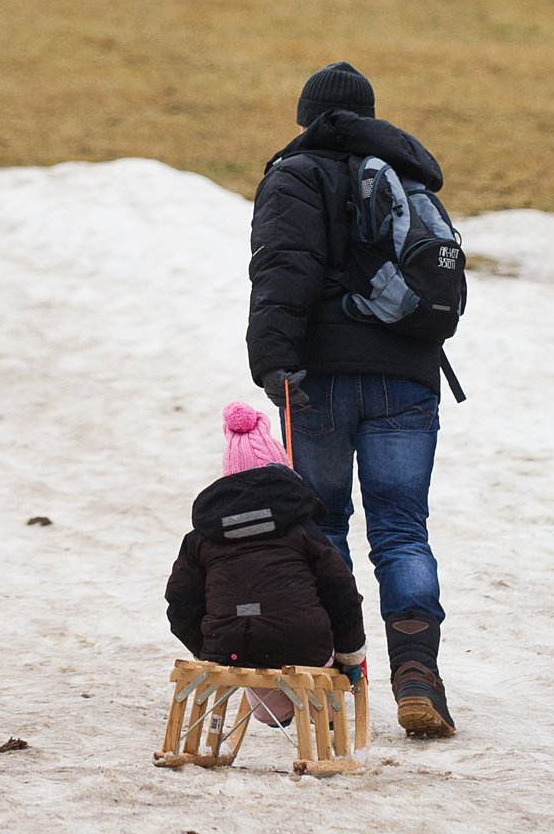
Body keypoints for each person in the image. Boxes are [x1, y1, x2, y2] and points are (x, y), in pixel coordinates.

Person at [246, 61, 458, 737]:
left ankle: (334, 682)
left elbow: (284, 270)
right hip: (408, 377)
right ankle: (418, 676)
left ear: (307, 116)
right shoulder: (406, 175)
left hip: (322, 382)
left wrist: (273, 360)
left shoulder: (296, 174)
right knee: (402, 530)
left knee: (323, 527)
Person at [165, 403, 367, 725]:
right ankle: (323, 713)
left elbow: (180, 600)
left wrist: (207, 646)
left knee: (256, 674)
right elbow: (340, 589)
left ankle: (275, 713)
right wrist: (350, 651)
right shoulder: (302, 529)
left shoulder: (202, 537)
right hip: (303, 644)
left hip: (230, 644)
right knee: (313, 660)